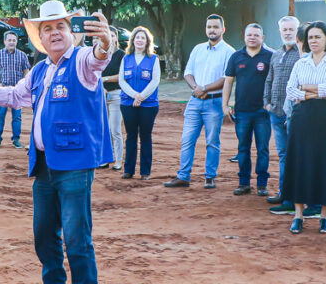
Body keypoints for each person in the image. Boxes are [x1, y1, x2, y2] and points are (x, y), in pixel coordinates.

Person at [0, 0, 114, 284]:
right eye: (47, 29)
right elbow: (13, 96)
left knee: (77, 239)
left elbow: (100, 58)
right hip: (45, 165)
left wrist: (106, 41)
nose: (54, 33)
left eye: (60, 26)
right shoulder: (41, 69)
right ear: (40, 39)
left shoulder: (81, 63)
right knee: (44, 235)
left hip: (75, 163)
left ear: (71, 32)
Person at [281, 22, 326, 235]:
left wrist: (305, 89)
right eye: (310, 37)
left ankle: (324, 217)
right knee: (300, 162)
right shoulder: (301, 63)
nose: (313, 41)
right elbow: (290, 90)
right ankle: (298, 216)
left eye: (317, 37)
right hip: (303, 118)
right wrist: (314, 92)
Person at [165, 14, 233, 189]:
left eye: (215, 27)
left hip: (214, 103)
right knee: (187, 139)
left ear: (223, 29)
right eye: (209, 26)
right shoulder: (198, 49)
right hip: (194, 101)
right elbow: (187, 72)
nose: (212, 30)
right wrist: (196, 87)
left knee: (212, 141)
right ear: (206, 29)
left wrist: (205, 89)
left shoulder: (229, 52)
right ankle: (183, 176)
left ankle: (210, 177)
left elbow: (226, 79)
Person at [222, 23, 274, 196]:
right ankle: (244, 183)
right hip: (242, 112)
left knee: (263, 149)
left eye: (256, 35)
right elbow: (228, 81)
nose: (252, 37)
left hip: (263, 112)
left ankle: (262, 184)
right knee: (243, 148)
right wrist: (225, 105)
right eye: (249, 34)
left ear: (262, 38)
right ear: (244, 37)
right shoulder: (236, 57)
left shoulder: (270, 56)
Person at [264, 16, 302, 211]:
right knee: (283, 155)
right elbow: (269, 79)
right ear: (280, 31)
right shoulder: (276, 54)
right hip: (276, 113)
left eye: (291, 29)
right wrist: (267, 103)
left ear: (297, 31)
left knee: (296, 155)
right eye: (284, 29)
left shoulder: (303, 54)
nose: (287, 32)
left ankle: (294, 198)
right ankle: (284, 193)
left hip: (295, 115)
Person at [118, 25, 160, 180]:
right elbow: (122, 80)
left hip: (148, 105)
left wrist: (141, 97)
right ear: (133, 40)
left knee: (146, 136)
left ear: (147, 41)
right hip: (128, 103)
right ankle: (128, 170)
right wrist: (134, 95)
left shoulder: (153, 59)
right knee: (131, 136)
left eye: (143, 37)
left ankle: (145, 172)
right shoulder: (126, 58)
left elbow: (155, 80)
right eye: (137, 37)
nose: (140, 40)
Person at [0, 30, 31, 148]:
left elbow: (26, 72)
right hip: (2, 90)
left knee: (17, 117)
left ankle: (16, 139)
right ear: (4, 41)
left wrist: (24, 87)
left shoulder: (22, 55)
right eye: (9, 40)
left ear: (16, 42)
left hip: (17, 91)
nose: (11, 42)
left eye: (14, 40)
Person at [98, 30, 126, 170]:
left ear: (116, 38)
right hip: (100, 95)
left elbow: (122, 76)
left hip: (116, 94)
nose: (111, 37)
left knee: (115, 129)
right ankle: (105, 158)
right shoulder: (100, 54)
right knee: (103, 129)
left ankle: (119, 160)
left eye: (113, 35)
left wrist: (103, 79)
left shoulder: (121, 55)